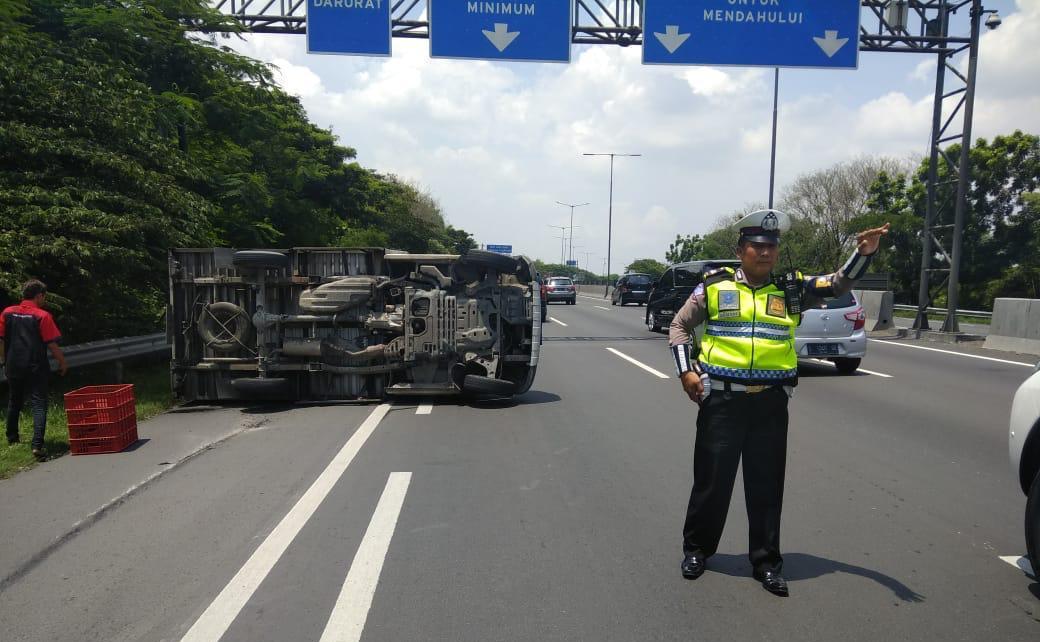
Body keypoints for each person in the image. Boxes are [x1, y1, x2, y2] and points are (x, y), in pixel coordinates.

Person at [668, 210, 889, 596]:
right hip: (722, 400)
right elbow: (679, 326)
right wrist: (687, 371)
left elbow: (837, 284)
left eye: (771, 247)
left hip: (770, 404)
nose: (765, 253)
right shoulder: (714, 288)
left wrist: (863, 253)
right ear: (740, 250)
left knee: (766, 485)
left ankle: (767, 562)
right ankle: (697, 551)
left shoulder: (791, 288)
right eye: (757, 246)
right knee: (712, 482)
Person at [1, 279, 67, 459]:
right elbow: (52, 345)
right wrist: (62, 363)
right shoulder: (42, 316)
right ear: (39, 296)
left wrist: (4, 360)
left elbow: (1, 339)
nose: (44, 300)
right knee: (39, 404)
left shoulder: (7, 312)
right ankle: (37, 445)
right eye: (43, 297)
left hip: (13, 364)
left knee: (14, 401)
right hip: (35, 366)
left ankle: (12, 438)